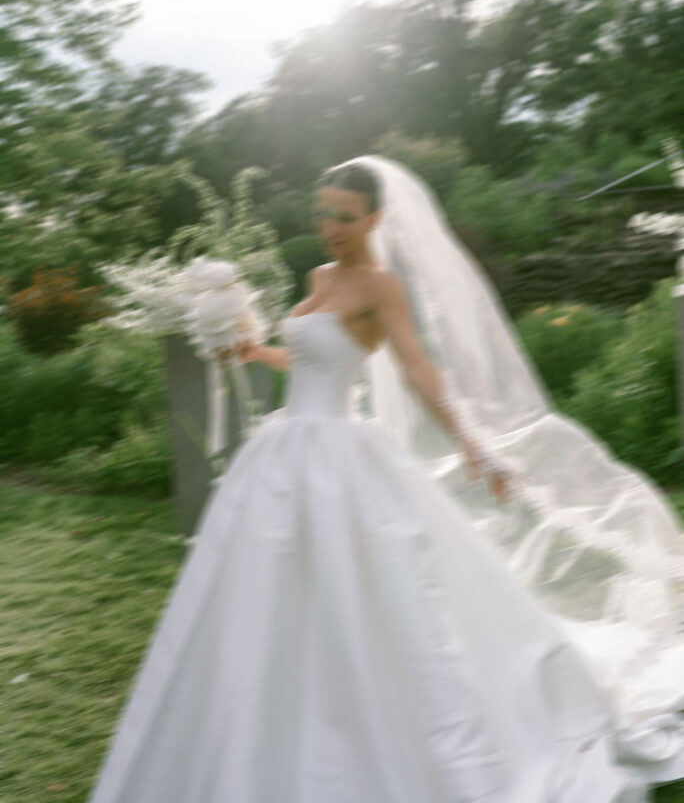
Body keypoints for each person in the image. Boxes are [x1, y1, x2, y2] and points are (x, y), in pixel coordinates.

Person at [86, 155, 684, 802]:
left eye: (345, 216)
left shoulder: (379, 286)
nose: (330, 227)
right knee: (265, 581)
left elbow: (417, 368)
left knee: (368, 585)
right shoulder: (317, 275)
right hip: (284, 450)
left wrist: (470, 441)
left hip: (340, 457)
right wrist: (254, 350)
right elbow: (313, 356)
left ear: (376, 217)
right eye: (323, 213)